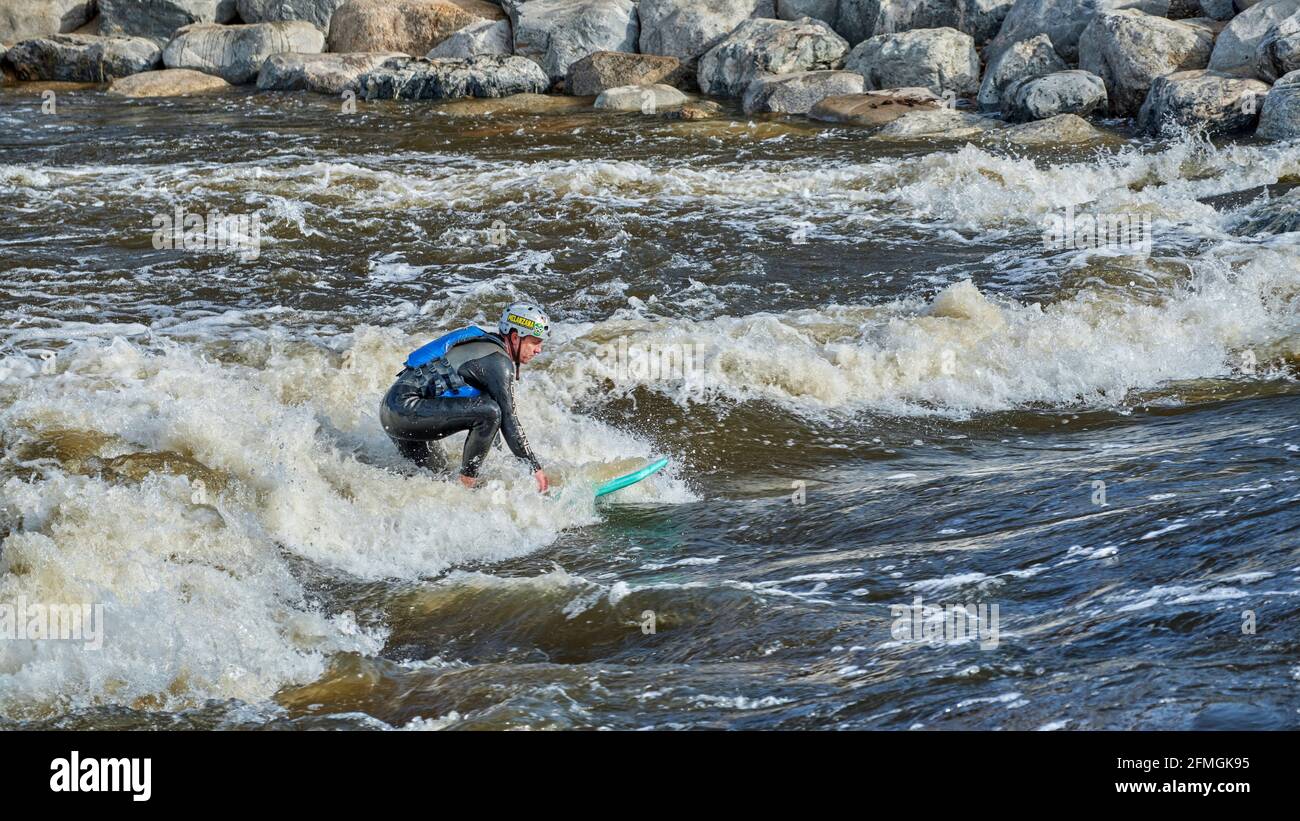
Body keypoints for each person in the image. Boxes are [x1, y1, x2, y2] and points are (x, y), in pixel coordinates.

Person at [381, 302, 550, 492]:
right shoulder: (498, 362)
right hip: (405, 408)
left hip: (393, 411)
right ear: (514, 337)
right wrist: (535, 469)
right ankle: (466, 489)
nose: (539, 350)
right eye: (535, 342)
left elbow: (492, 429)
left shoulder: (487, 350)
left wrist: (497, 470)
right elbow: (507, 419)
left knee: (434, 476)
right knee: (490, 412)